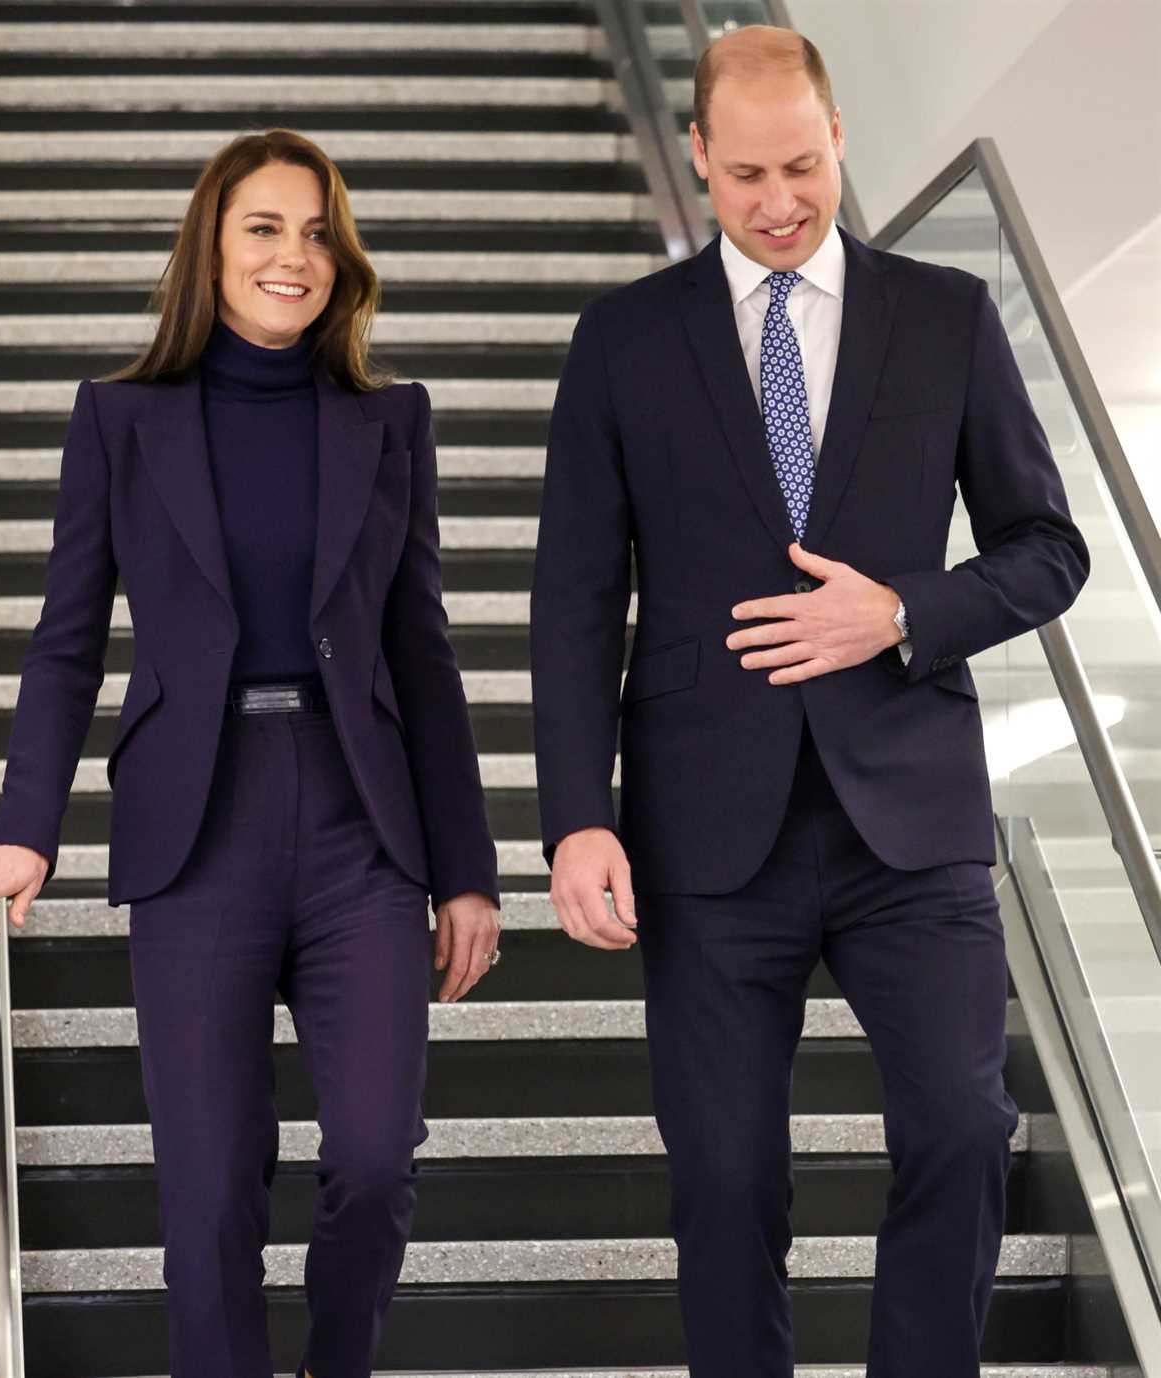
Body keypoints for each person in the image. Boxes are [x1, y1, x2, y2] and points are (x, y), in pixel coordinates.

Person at [530, 25, 1088, 1378]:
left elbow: (1047, 549)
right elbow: (574, 598)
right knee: (726, 1181)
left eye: (802, 166)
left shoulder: (946, 316)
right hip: (707, 831)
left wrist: (897, 609)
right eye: (744, 177)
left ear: (838, 138)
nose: (779, 203)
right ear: (703, 163)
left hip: (914, 817)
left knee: (962, 1131)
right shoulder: (622, 342)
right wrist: (575, 821)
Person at [0, 128, 501, 1378]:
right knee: (206, 1190)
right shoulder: (120, 419)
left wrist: (466, 868)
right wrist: (21, 826)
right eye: (263, 227)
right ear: (210, 243)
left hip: (363, 824)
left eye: (314, 232)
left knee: (373, 1148)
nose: (291, 255)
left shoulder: (388, 421)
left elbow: (424, 652)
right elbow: (67, 643)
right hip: (197, 831)